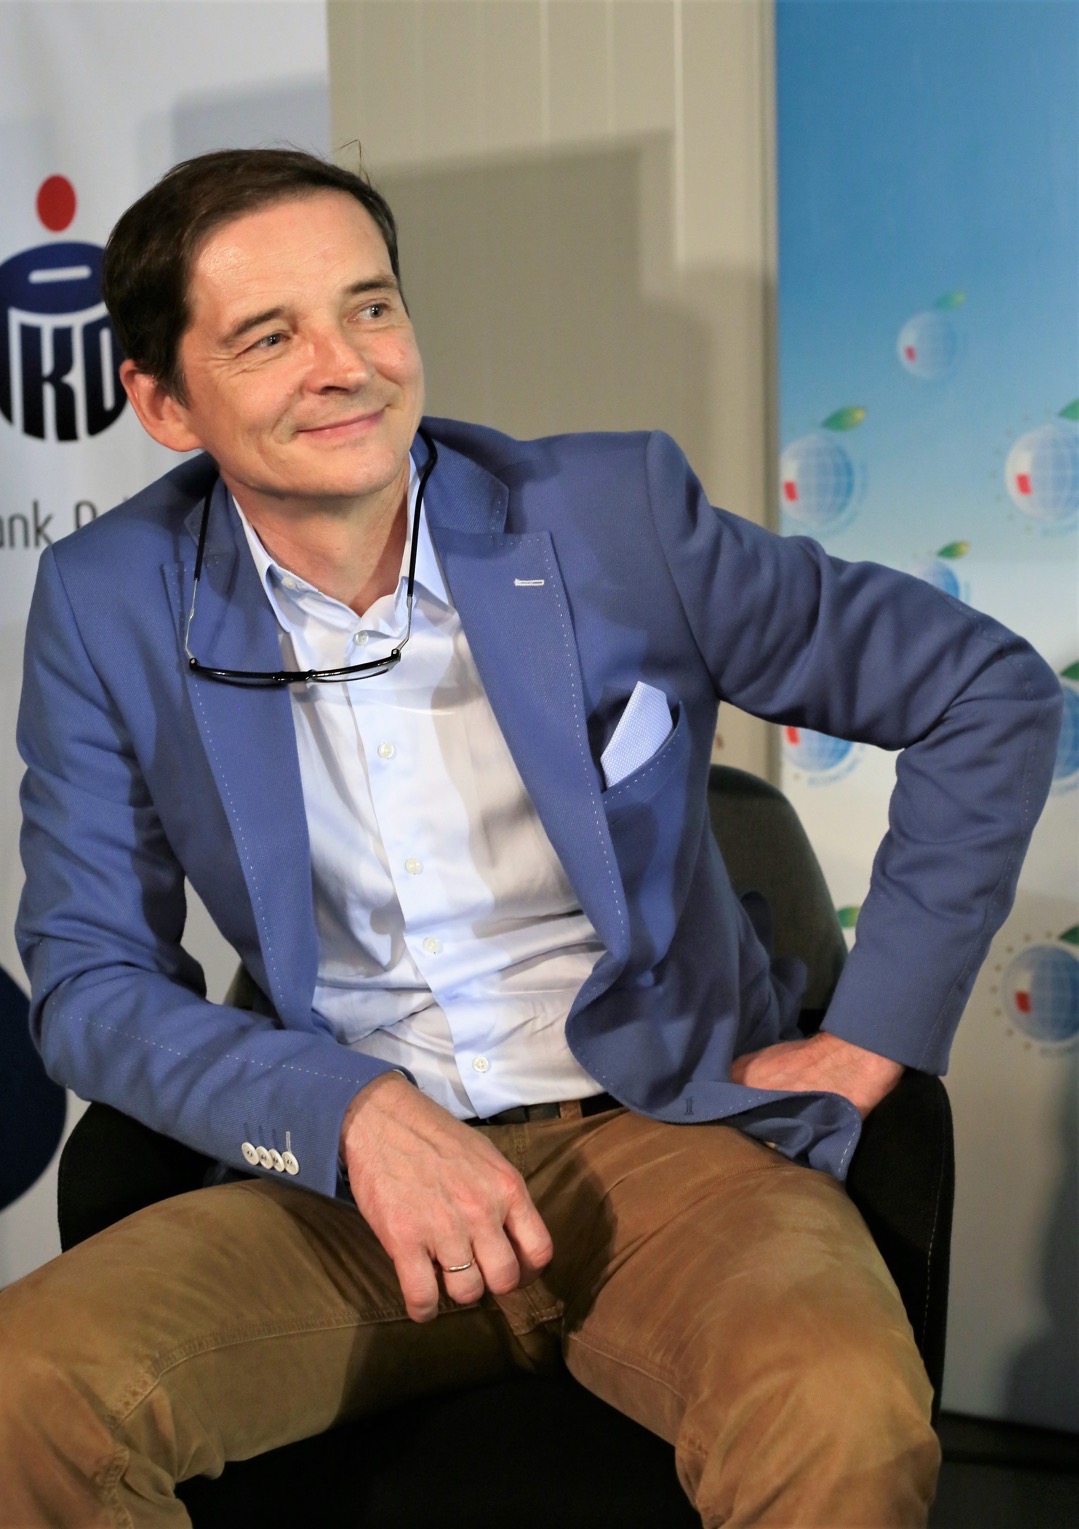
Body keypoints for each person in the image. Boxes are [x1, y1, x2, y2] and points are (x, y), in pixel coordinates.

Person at [0, 147, 1061, 1527]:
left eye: (370, 307)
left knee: (837, 1412)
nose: (346, 366)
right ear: (161, 401)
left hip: (665, 1138)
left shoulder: (611, 517)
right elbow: (88, 978)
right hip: (352, 1185)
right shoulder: (109, 600)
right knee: (26, 1393)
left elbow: (985, 689)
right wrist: (346, 1114)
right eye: (270, 337)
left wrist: (877, 1030)